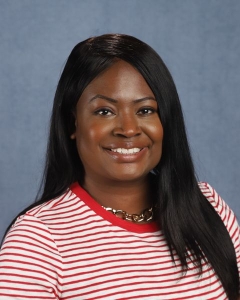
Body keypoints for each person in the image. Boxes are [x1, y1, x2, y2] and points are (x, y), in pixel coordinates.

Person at [0, 34, 239, 300]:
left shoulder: (208, 206)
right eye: (105, 111)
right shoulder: (38, 240)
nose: (128, 129)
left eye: (145, 110)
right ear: (72, 124)